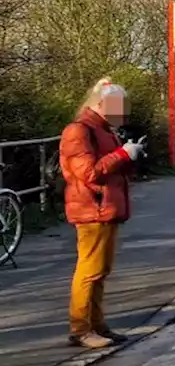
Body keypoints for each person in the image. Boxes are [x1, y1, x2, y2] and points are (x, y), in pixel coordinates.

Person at [60, 77, 147, 349]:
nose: (122, 112)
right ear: (101, 104)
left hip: (103, 208)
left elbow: (108, 169)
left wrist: (130, 155)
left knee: (100, 270)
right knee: (90, 270)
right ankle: (81, 328)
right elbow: (88, 173)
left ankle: (96, 324)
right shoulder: (80, 130)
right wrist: (123, 153)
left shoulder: (102, 129)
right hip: (92, 208)